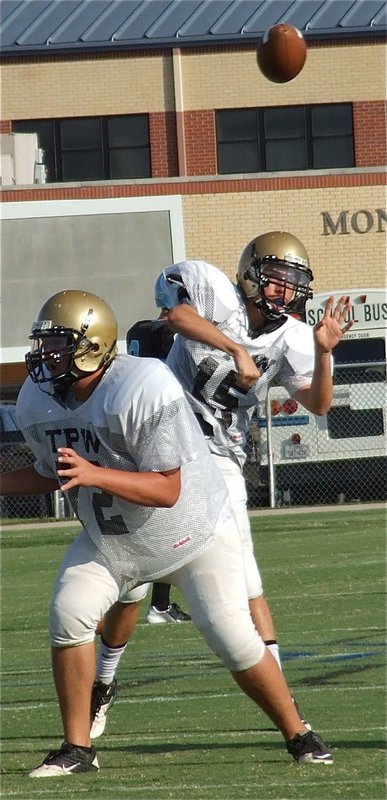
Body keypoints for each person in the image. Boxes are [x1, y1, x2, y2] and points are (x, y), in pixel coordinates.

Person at [0, 288, 334, 778]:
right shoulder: (38, 398)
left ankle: (298, 732)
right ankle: (78, 747)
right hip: (114, 540)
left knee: (234, 639)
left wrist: (95, 474)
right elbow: (53, 470)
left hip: (191, 534)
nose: (46, 357)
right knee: (69, 612)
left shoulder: (142, 385)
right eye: (45, 344)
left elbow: (167, 488)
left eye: (58, 345)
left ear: (92, 345)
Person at [89, 231, 353, 740]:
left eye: (292, 285)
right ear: (251, 274)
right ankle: (103, 683)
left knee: (248, 578)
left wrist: (323, 353)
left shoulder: (295, 336)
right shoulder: (214, 290)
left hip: (221, 455)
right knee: (133, 582)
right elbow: (177, 316)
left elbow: (319, 405)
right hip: (159, 443)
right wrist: (235, 348)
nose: (283, 294)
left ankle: (282, 693)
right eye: (275, 282)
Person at [127, 313, 191, 625]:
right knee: (171, 529)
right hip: (158, 428)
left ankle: (157, 604)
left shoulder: (139, 330)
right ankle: (159, 606)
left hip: (136, 428)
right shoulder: (165, 335)